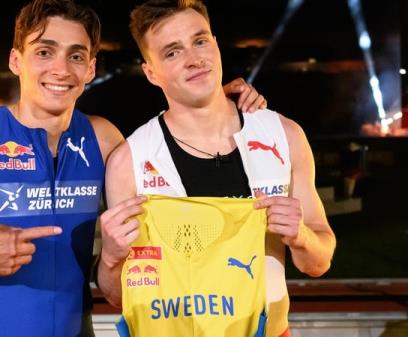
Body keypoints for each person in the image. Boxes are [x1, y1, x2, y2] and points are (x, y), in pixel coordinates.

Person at [0, 0, 265, 336]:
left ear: (91, 68)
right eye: (45, 52)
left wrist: (219, 102)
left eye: (76, 55)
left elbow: (173, 142)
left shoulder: (103, 139)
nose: (61, 69)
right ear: (16, 60)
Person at [97, 1, 336, 336]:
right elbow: (120, 297)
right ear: (151, 72)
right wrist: (110, 258)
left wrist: (301, 237)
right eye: (172, 52)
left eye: (200, 41)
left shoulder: (284, 135)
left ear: (216, 45)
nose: (194, 59)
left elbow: (318, 262)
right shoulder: (130, 161)